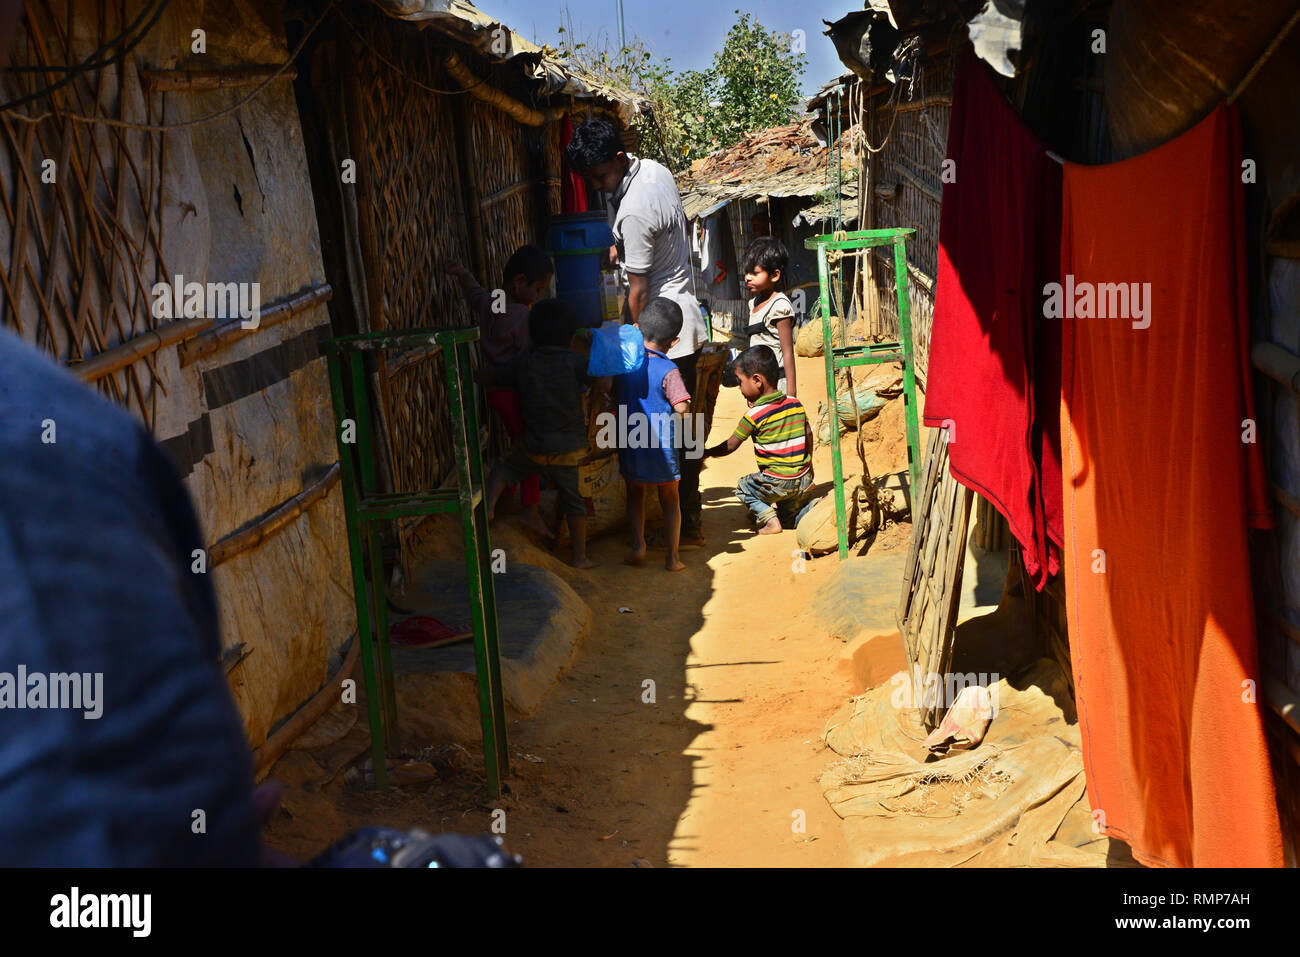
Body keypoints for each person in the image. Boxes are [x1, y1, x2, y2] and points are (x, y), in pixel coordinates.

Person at [565, 117, 708, 549]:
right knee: (684, 431)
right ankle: (689, 519)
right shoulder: (656, 172)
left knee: (648, 432)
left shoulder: (633, 211)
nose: (599, 186)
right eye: (592, 180)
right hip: (686, 319)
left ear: (619, 158)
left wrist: (626, 348)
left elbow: (640, 293)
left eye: (602, 176)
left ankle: (663, 525)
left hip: (663, 334)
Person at [484, 299, 602, 569]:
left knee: (503, 469)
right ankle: (579, 557)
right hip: (569, 451)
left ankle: (490, 507)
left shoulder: (523, 363)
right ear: (571, 336)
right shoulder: (575, 362)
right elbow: (602, 382)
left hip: (534, 447)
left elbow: (491, 377)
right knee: (575, 503)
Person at [448, 246, 554, 537]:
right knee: (530, 450)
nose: (538, 296)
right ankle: (529, 510)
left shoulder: (493, 304)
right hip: (515, 392)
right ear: (520, 282)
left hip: (495, 392)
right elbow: (527, 360)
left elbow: (475, 295)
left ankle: (507, 501)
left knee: (518, 443)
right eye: (538, 289)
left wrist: (462, 273)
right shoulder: (522, 316)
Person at [702, 345, 814, 535]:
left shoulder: (754, 415)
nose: (739, 388)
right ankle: (810, 509)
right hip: (803, 477)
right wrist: (809, 464)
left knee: (744, 487)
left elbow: (731, 445)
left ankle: (769, 521)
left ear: (757, 381)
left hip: (779, 482)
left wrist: (708, 453)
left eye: (740, 382)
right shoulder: (795, 404)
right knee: (789, 519)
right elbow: (808, 434)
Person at [615, 299, 691, 572]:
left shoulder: (624, 365)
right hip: (662, 446)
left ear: (637, 328)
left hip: (630, 441)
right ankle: (672, 558)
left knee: (635, 495)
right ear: (674, 341)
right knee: (670, 499)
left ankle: (638, 546)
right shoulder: (668, 370)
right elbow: (681, 406)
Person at [741, 236, 798, 398]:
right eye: (746, 272)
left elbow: (787, 352)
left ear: (774, 276)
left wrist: (792, 395)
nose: (748, 277)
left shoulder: (780, 306)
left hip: (777, 384)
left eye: (755, 273)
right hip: (758, 384)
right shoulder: (753, 303)